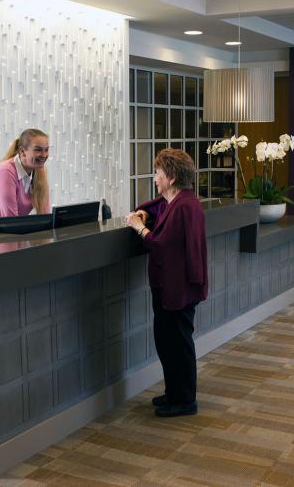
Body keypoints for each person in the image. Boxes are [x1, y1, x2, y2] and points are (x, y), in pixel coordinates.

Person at [126, 148, 208, 418]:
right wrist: (144, 215)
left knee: (178, 344)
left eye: (158, 173)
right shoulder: (178, 201)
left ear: (171, 177)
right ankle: (174, 393)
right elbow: (153, 206)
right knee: (167, 341)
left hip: (178, 288)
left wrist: (140, 228)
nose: (155, 178)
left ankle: (185, 400)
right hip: (172, 286)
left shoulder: (184, 206)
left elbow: (162, 246)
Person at [0, 128, 51, 232]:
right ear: (22, 152)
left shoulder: (39, 170)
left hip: (8, 235)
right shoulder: (6, 172)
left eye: (46, 149)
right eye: (38, 149)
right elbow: (11, 221)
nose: (44, 155)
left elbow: (45, 215)